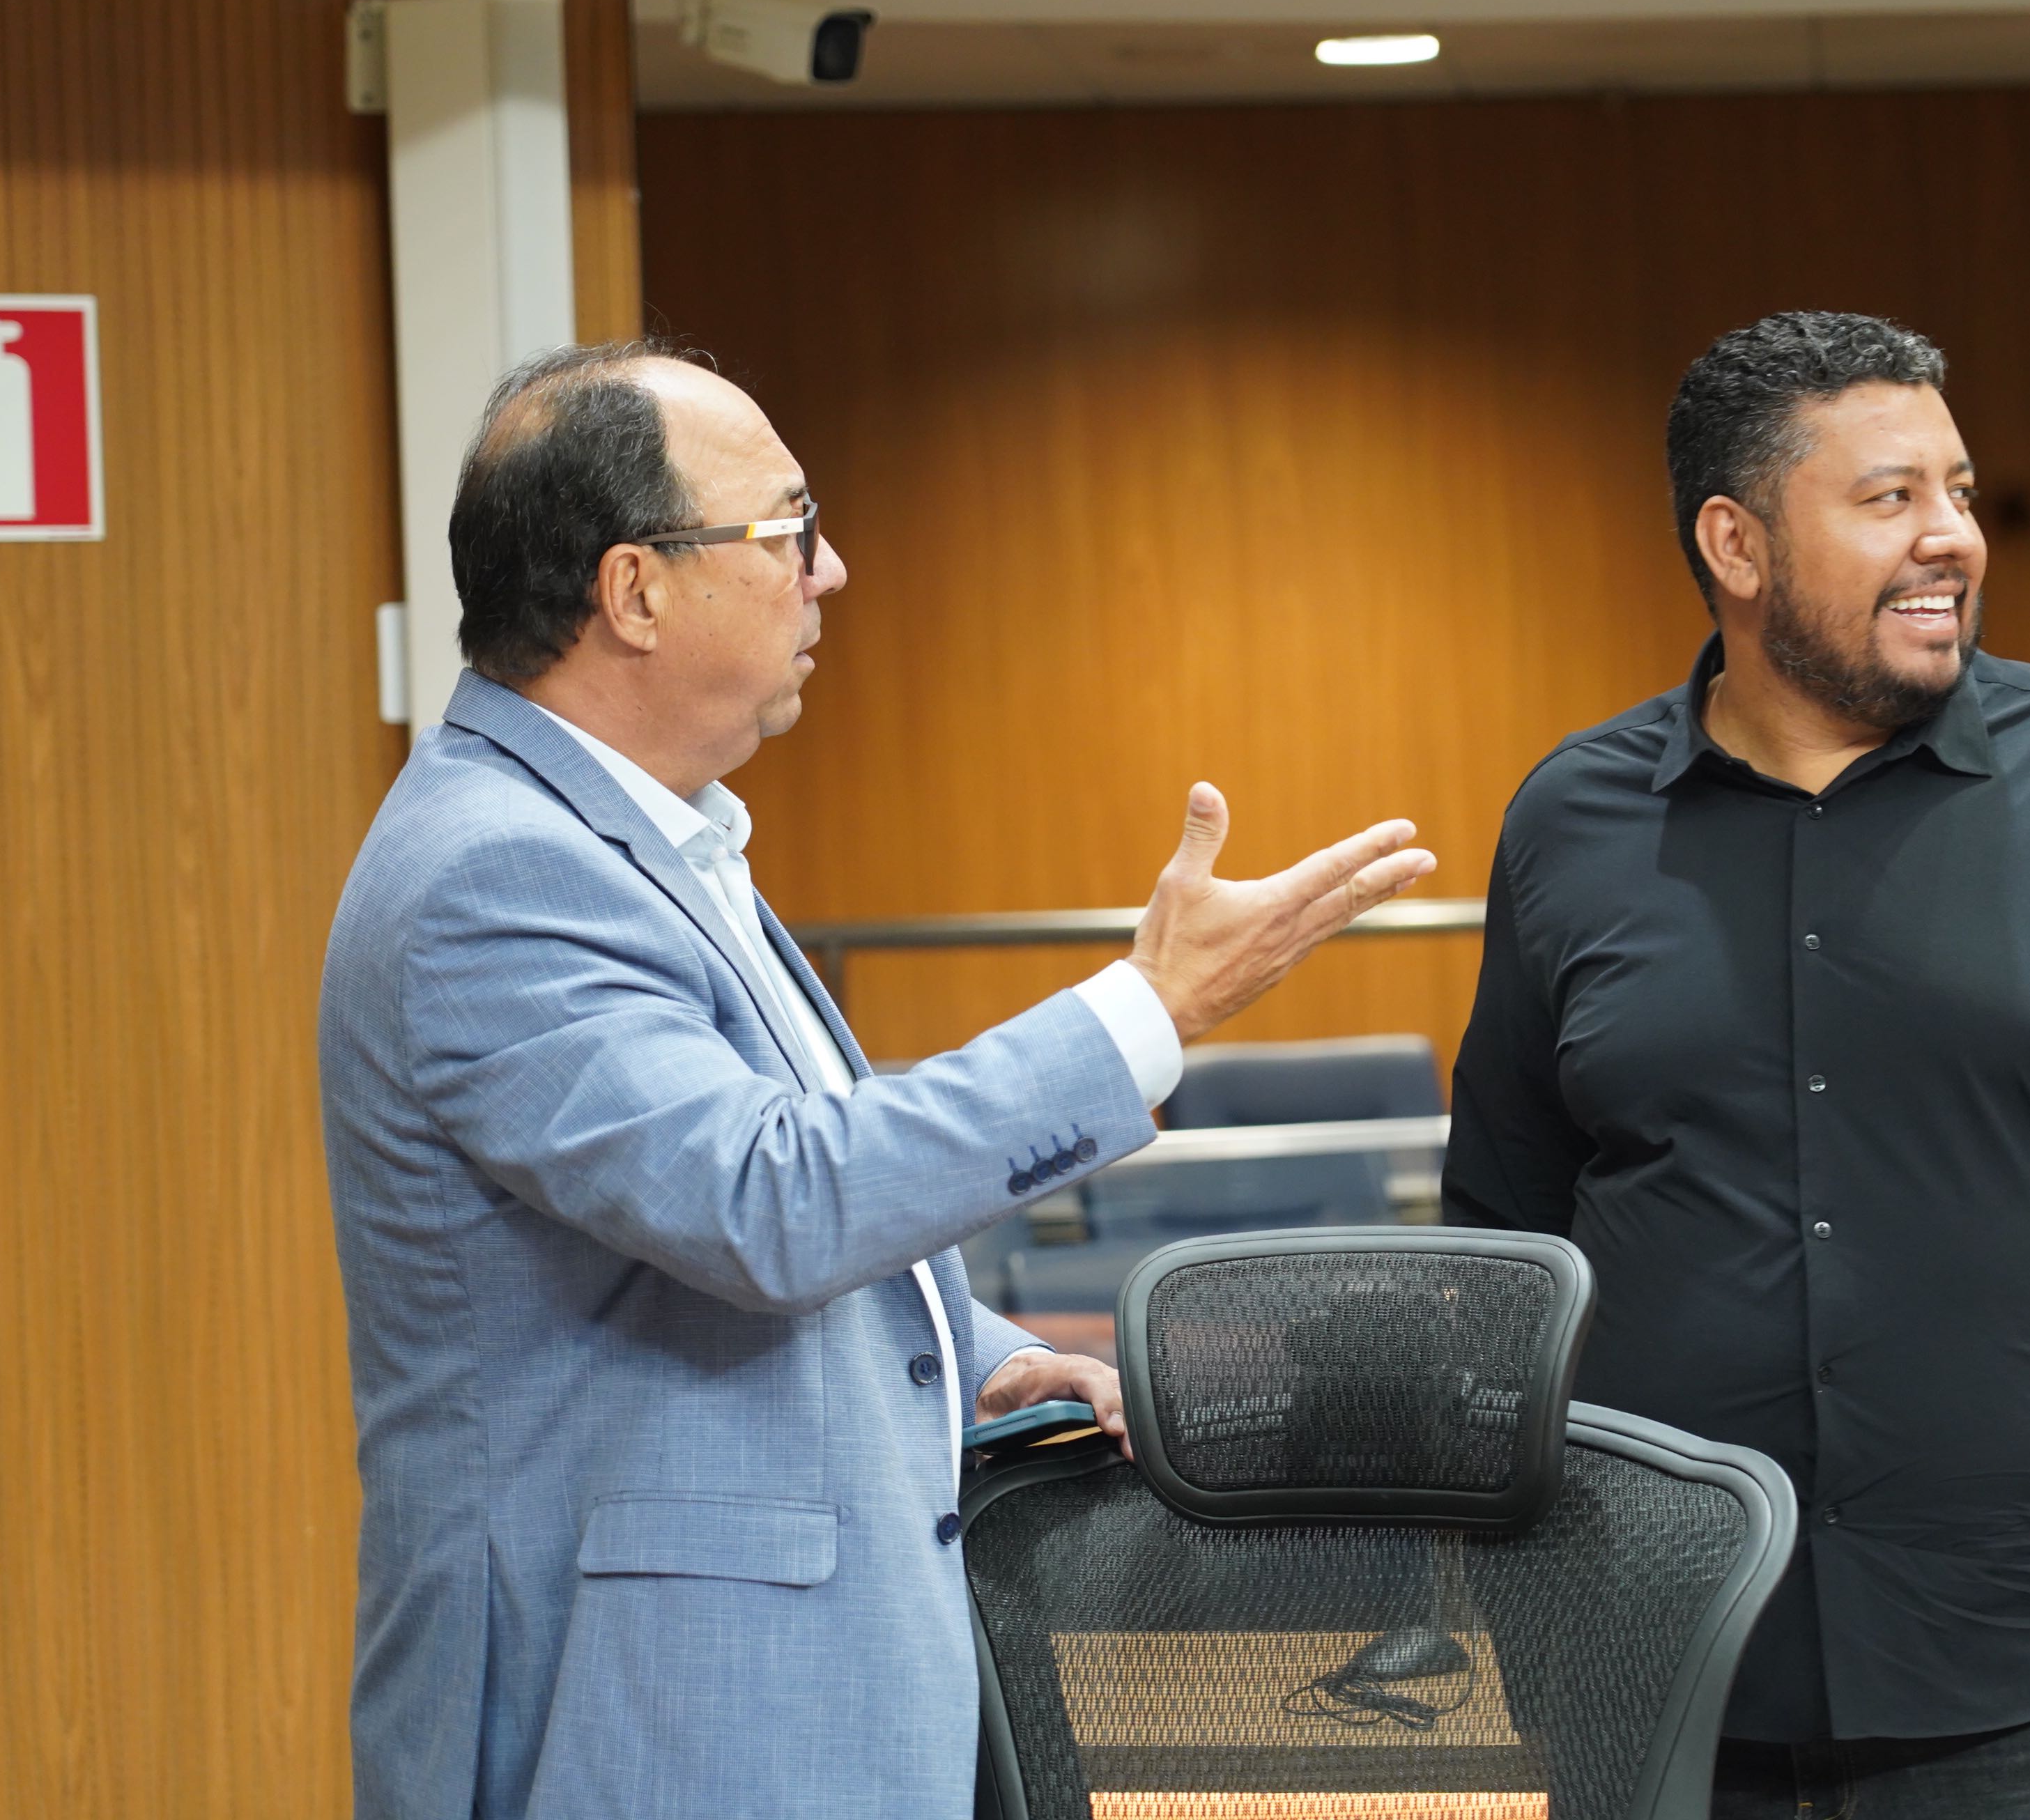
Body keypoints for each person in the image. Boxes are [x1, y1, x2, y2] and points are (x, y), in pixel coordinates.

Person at [318, 341, 1435, 1820]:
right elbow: (770, 1201)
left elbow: (743, 1235)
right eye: (789, 531)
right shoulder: (498, 873)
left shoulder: (650, 836)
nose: (829, 571)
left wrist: (984, 1362)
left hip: (757, 1707)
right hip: (634, 1722)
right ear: (634, 591)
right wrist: (1149, 1010)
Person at [1444, 311, 2030, 1819]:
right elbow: (1504, 1238)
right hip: (1654, 1673)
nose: (1953, 536)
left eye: (1957, 490)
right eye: (1890, 499)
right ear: (1737, 545)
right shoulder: (1570, 820)